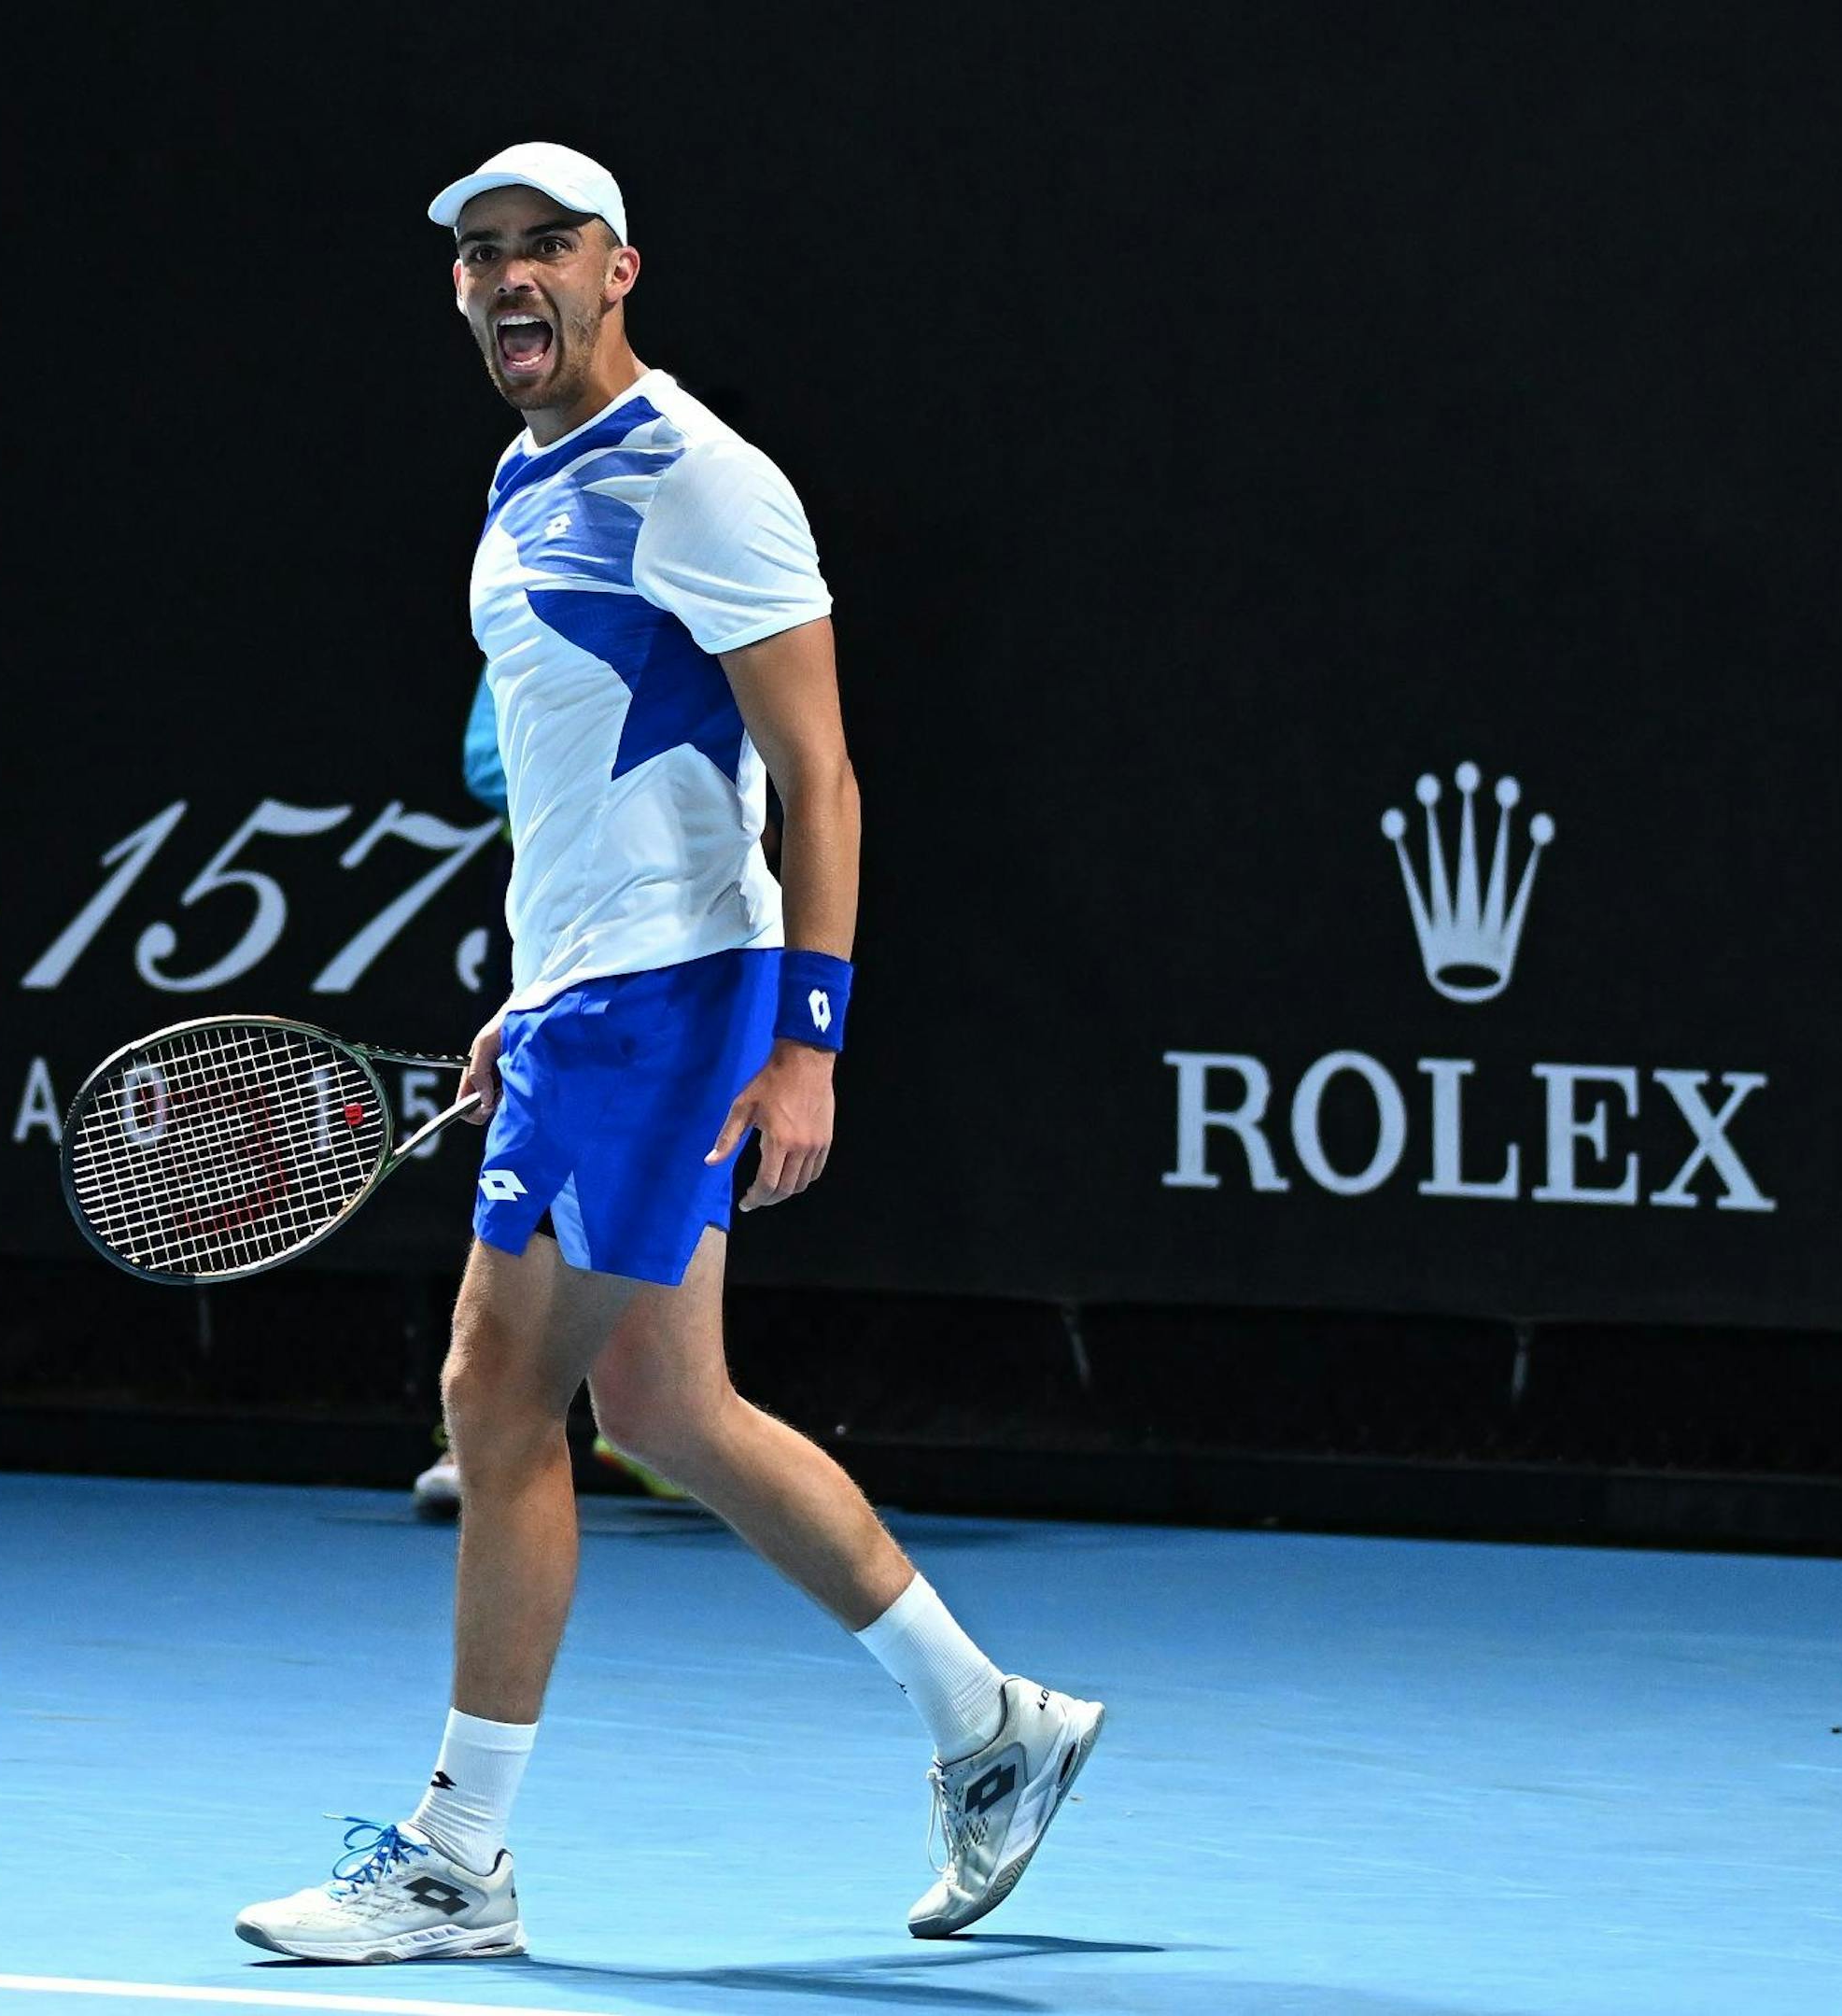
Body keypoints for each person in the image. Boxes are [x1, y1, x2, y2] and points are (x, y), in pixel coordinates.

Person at [236, 143, 1102, 1964]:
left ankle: (460, 1855)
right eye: (477, 256)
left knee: (492, 1394)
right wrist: (527, 993)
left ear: (620, 269)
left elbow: (822, 775)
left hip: (676, 995)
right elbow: (588, 784)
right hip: (594, 990)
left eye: (542, 245)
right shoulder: (521, 475)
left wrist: (809, 1041)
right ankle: (989, 1722)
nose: (505, 278)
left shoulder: (702, 481)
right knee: (662, 1408)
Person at [415, 668, 695, 1522]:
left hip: (666, 956)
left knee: (641, 1186)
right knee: (562, 1194)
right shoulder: (527, 576)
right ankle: (505, 1426)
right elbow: (484, 761)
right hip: (562, 951)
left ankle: (650, 1415)